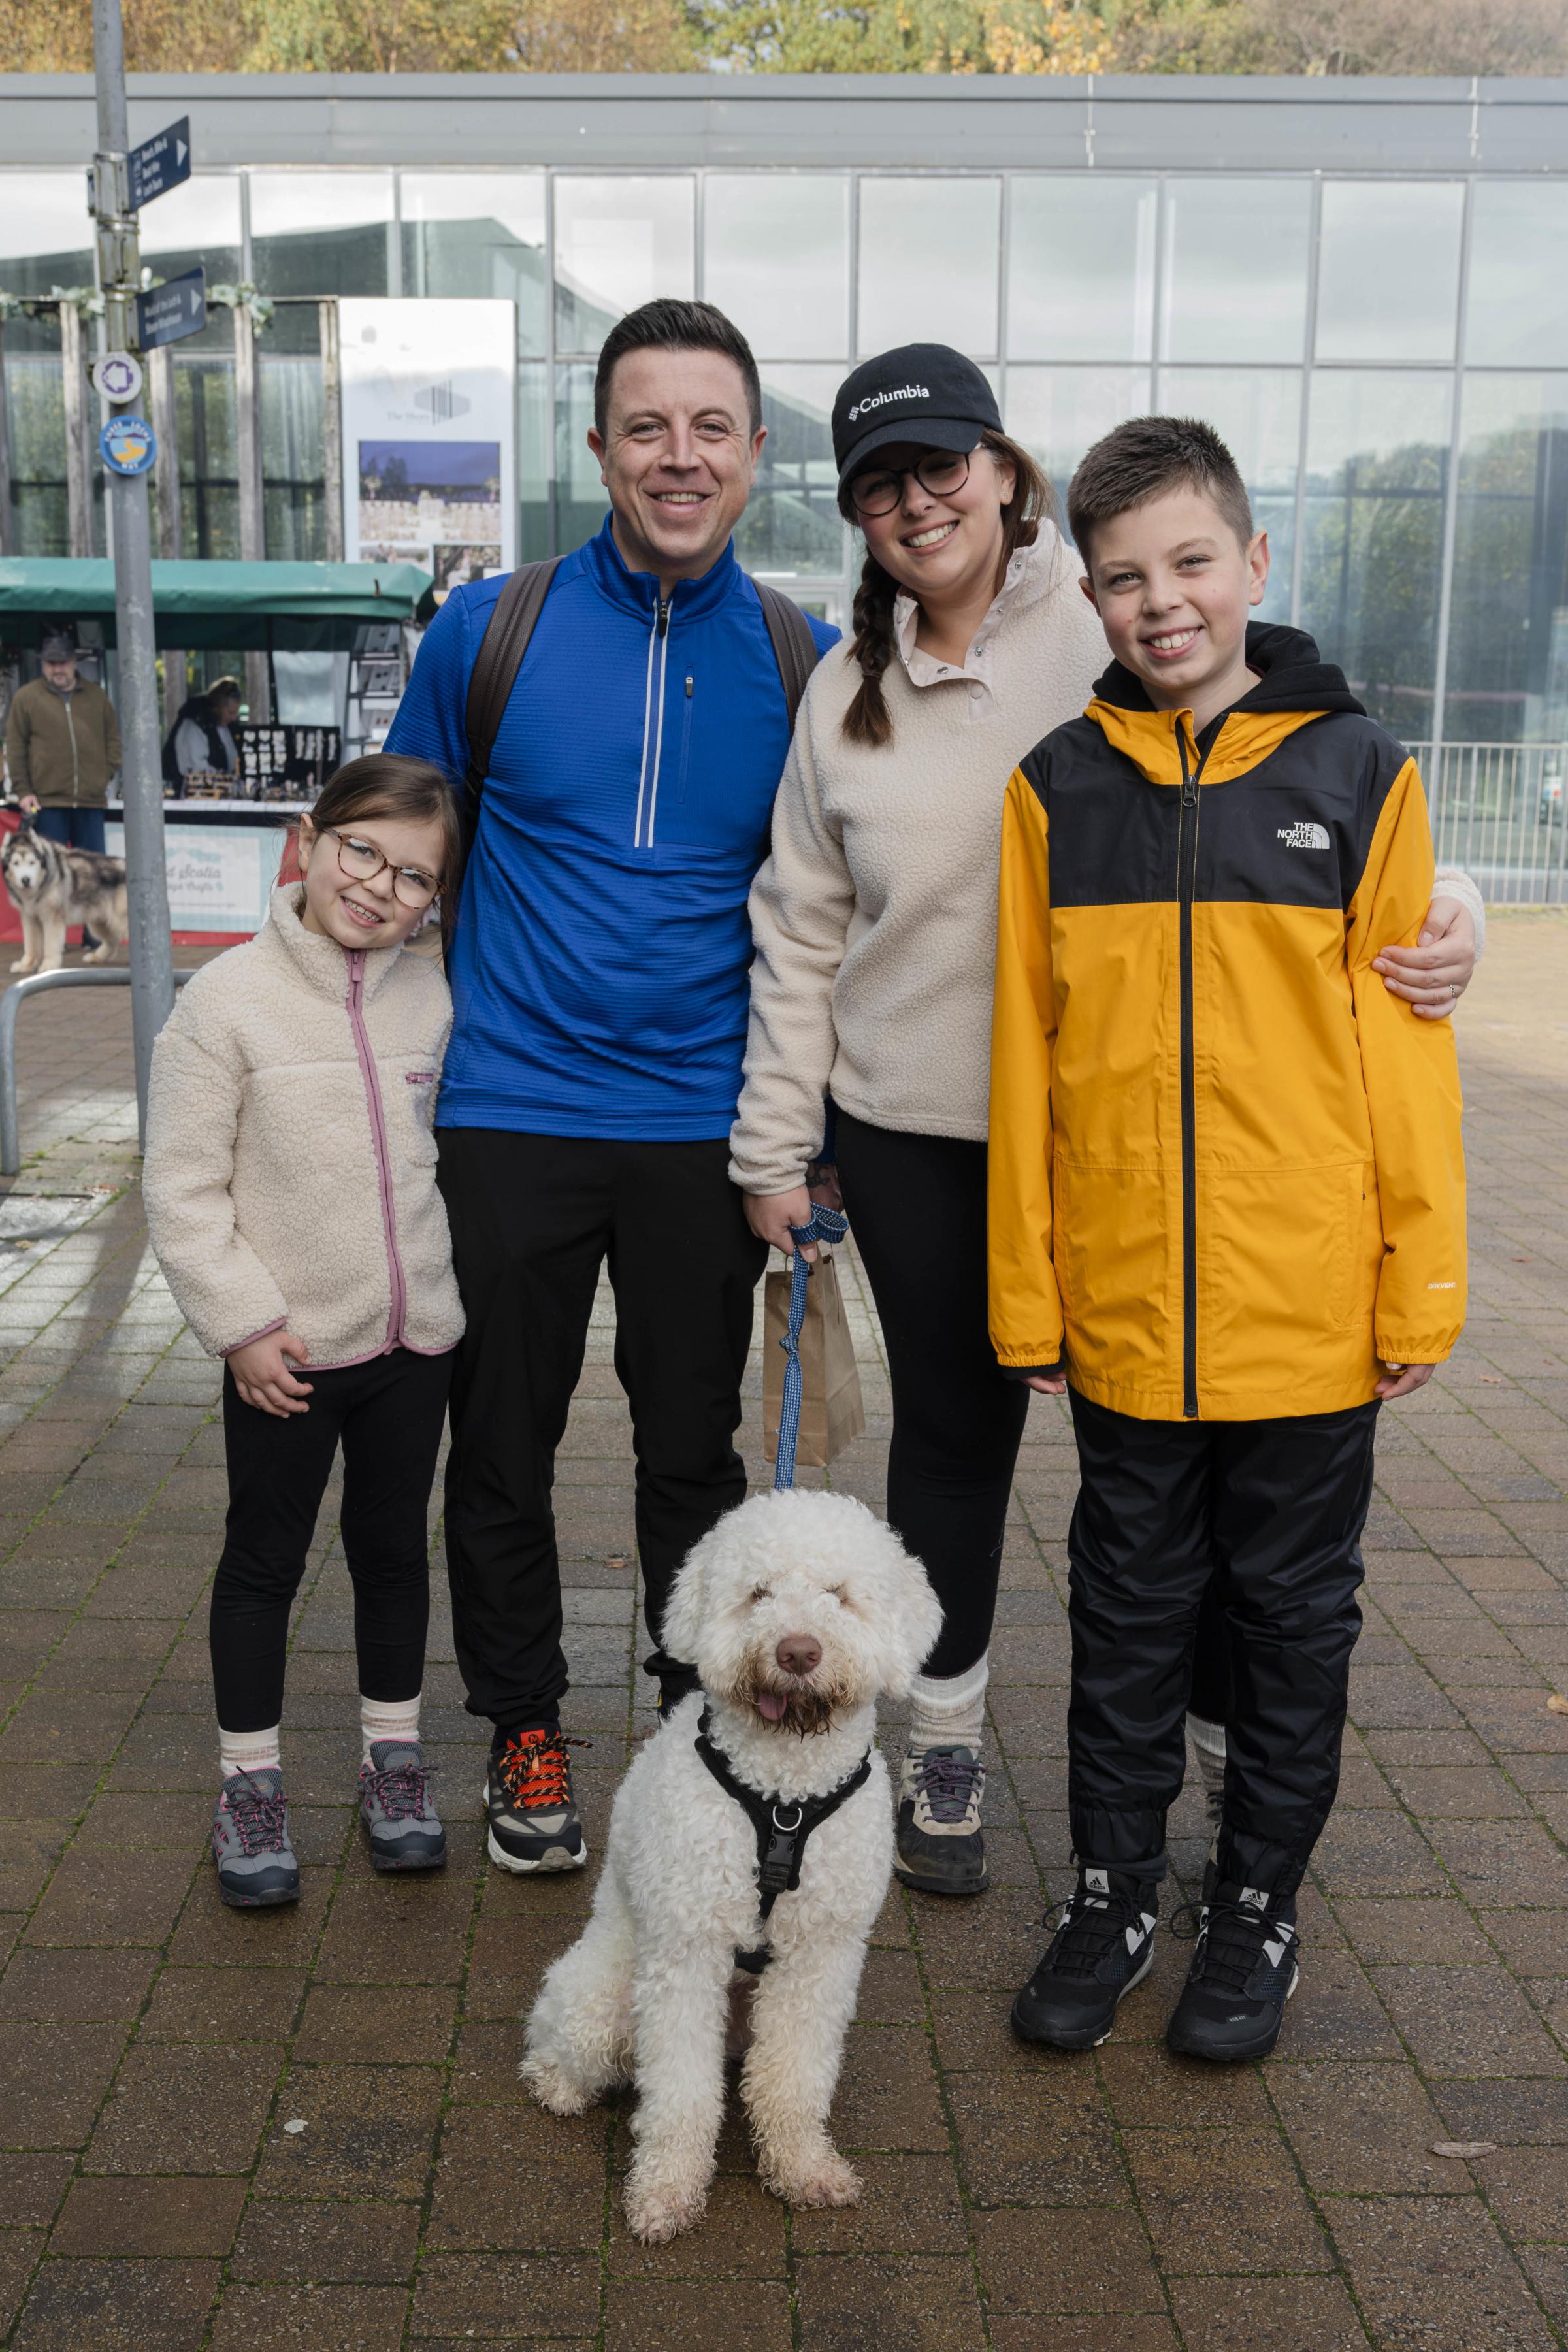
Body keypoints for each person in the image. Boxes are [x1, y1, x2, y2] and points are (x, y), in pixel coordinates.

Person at [731, 348, 1480, 1903]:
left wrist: (1450, 908)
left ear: (1007, 477)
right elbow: (797, 929)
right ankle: (941, 1741)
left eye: (941, 466)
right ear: (859, 520)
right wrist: (773, 1148)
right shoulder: (837, 684)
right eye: (879, 484)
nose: (915, 501)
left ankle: (1215, 1764)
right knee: (955, 1442)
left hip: (1125, 1130)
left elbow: (1298, 761)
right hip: (917, 1120)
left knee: (1177, 1463)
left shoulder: (1105, 612)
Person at [992, 417, 1466, 2063]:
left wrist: (1421, 1277)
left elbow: (1403, 1059)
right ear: (1089, 597)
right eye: (1120, 577)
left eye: (1187, 562)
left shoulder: (1359, 778)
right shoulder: (1051, 792)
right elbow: (1022, 1060)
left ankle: (1252, 1897)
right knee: (1120, 1617)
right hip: (1122, 1316)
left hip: (1303, 1323)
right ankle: (1115, 1885)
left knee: (1287, 1624)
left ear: (1252, 565)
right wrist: (1024, 1291)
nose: (1157, 601)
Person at [384, 299, 837, 1878]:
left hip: (700, 1134)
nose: (678, 455)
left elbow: (850, 900)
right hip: (506, 1108)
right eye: (645, 425)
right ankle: (519, 1724)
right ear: (595, 447)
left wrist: (814, 1129)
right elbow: (394, 852)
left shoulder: (804, 657)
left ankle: (689, 1721)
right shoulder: (486, 632)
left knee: (688, 1456)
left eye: (710, 427)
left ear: (755, 453)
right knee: (496, 1446)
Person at [142, 755, 465, 1907]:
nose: (378, 886)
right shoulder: (224, 1005)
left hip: (412, 1342)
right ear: (309, 838)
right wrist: (240, 1325)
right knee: (264, 1562)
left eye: (414, 877)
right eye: (362, 850)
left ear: (437, 899)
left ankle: (392, 1759)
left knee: (391, 1554)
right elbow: (182, 1188)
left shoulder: (437, 996)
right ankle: (251, 1783)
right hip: (285, 1355)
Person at [5, 628, 120, 855]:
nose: (57, 669)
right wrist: (24, 791)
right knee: (50, 874)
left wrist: (103, 775)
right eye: (51, 663)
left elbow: (113, 739)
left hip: (91, 801)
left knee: (92, 874)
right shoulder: (27, 697)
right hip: (46, 803)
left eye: (63, 662)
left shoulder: (97, 696)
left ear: (75, 662)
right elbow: (16, 747)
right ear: (43, 664)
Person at [163, 674, 242, 788]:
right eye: (230, 713)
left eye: (236, 713)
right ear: (217, 707)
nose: (234, 718)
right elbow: (196, 769)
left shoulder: (225, 728)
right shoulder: (194, 725)